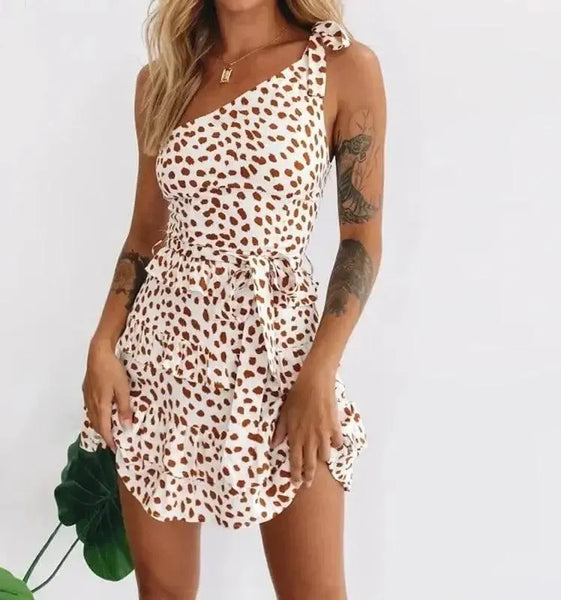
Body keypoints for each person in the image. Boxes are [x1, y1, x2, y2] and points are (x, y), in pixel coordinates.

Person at [80, 0, 385, 597]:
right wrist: (102, 343)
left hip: (282, 359)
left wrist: (320, 371)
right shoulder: (163, 80)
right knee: (163, 593)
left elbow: (360, 240)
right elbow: (146, 233)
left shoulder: (341, 65)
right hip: (162, 357)